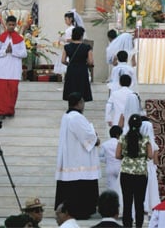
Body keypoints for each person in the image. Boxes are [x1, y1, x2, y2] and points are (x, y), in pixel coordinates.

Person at [54, 92, 101, 220]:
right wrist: (96, 138)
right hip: (79, 160)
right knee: (81, 187)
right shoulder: (76, 117)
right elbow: (87, 136)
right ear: (79, 103)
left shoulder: (66, 116)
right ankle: (81, 211)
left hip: (71, 157)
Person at [116, 114, 154, 228]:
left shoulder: (122, 138)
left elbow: (117, 155)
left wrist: (126, 158)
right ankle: (138, 225)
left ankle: (127, 225)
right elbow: (150, 155)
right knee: (139, 202)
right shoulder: (145, 138)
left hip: (126, 173)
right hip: (141, 174)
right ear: (140, 125)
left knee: (127, 202)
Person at [0, 15, 28, 118]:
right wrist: (4, 51)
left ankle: (9, 110)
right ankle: (1, 111)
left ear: (16, 25)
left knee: (12, 90)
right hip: (3, 67)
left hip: (14, 68)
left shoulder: (20, 39)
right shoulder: (1, 38)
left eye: (13, 25)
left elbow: (24, 53)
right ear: (6, 25)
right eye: (9, 24)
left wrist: (13, 51)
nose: (11, 26)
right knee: (2, 90)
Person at [62, 25, 94, 102]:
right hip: (82, 69)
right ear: (81, 36)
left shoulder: (67, 47)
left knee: (71, 88)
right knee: (81, 89)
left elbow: (63, 60)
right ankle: (80, 105)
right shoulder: (87, 47)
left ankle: (71, 105)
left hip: (71, 69)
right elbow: (90, 61)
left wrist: (69, 64)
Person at [99, 125, 124, 205]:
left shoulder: (105, 144)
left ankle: (112, 205)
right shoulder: (121, 143)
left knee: (111, 188)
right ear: (118, 135)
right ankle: (121, 205)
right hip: (120, 167)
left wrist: (107, 160)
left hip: (110, 167)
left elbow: (100, 157)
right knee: (122, 188)